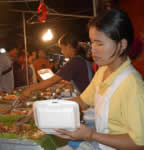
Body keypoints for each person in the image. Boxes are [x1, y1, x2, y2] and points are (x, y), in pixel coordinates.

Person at [56, 9, 144, 150]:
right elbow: (83, 102)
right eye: (92, 43)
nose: (93, 50)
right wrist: (47, 109)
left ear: (122, 44)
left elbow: (139, 144)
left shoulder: (133, 85)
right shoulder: (103, 71)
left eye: (100, 43)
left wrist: (90, 135)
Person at [21, 33, 93, 99]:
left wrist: (30, 89)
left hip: (88, 101)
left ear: (68, 46)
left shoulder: (75, 62)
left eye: (62, 48)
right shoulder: (80, 59)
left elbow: (52, 80)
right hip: (88, 98)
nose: (61, 51)